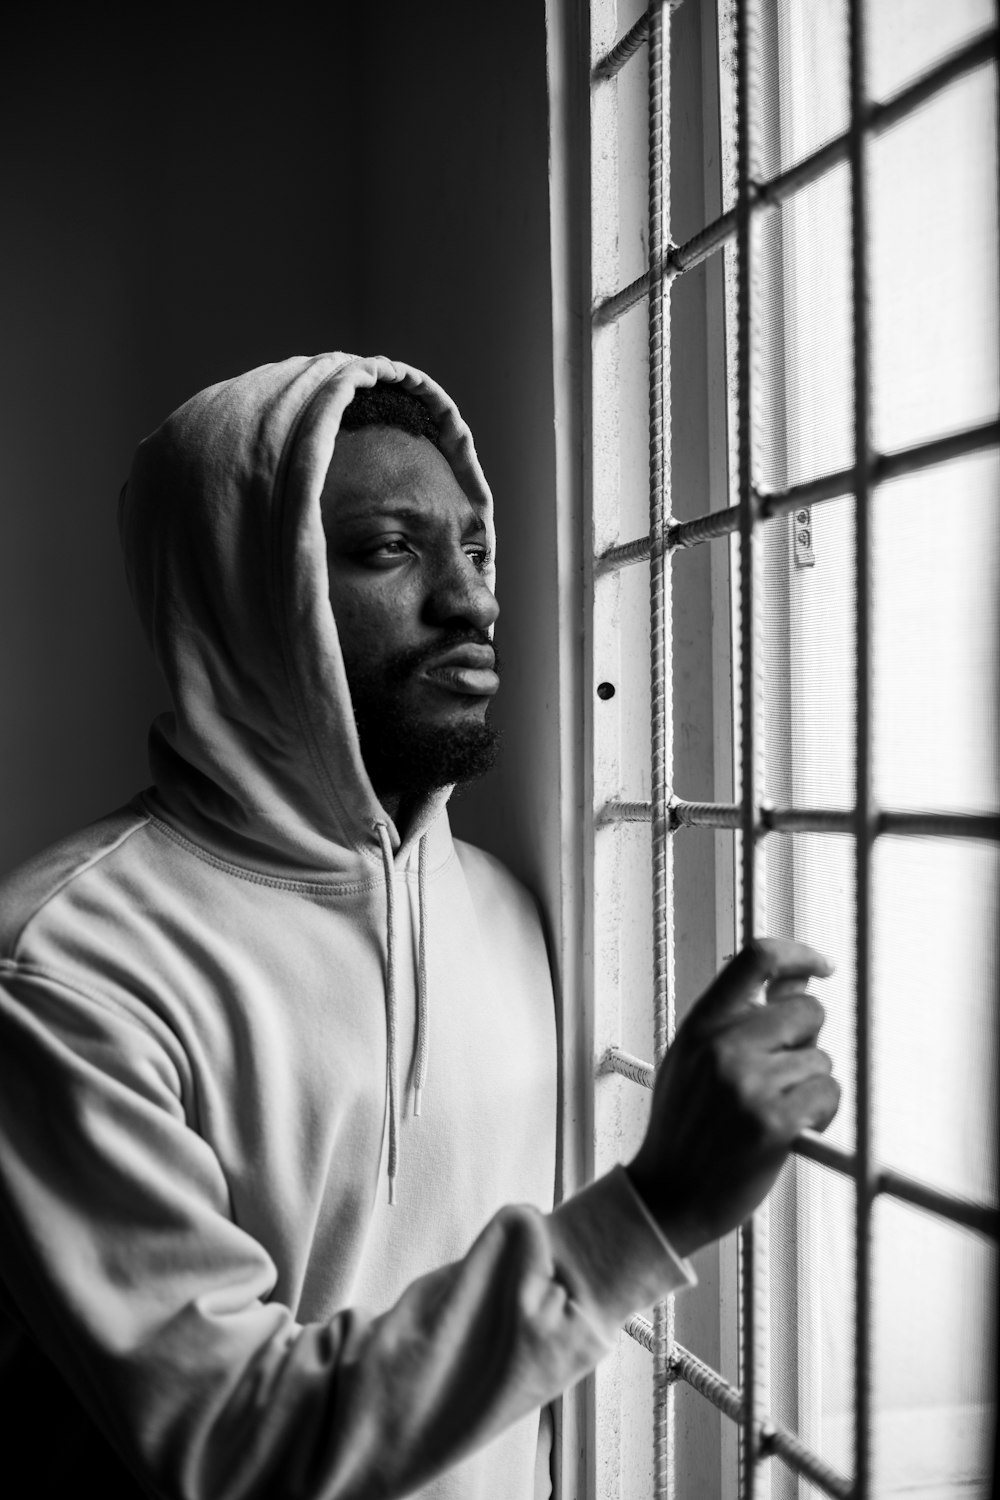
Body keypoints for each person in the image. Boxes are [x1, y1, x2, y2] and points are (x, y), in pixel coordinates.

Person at [0, 352, 840, 1498]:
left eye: (476, 547)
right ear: (248, 593)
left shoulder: (505, 909)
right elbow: (231, 1447)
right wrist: (651, 1211)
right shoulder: (66, 965)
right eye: (390, 547)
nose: (474, 600)